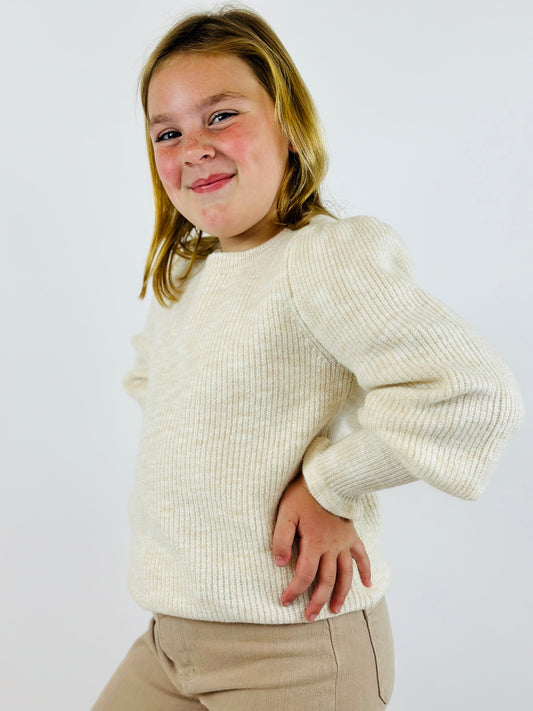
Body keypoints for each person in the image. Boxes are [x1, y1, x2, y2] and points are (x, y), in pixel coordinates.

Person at [92, 7, 523, 710]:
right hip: (171, 642)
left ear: (287, 124)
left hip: (293, 652)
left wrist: (330, 482)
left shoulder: (324, 255)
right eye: (167, 132)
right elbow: (169, 394)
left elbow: (469, 391)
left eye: (220, 116)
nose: (192, 146)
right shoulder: (188, 279)